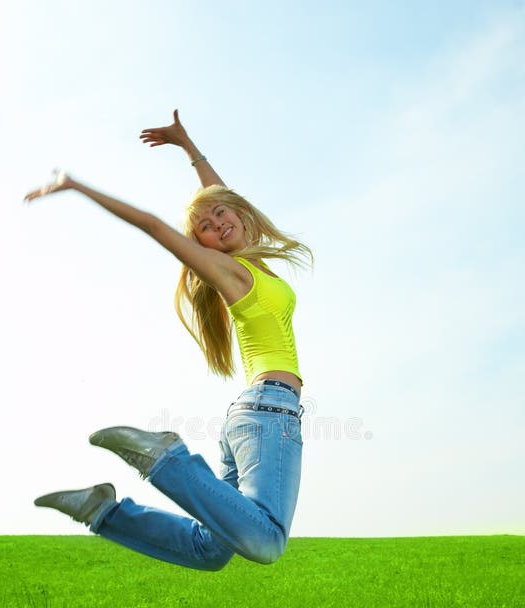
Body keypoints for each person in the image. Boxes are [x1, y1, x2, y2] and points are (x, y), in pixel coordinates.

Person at [26, 109, 312, 570]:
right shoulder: (231, 273)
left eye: (222, 214)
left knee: (210, 549)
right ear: (204, 247)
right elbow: (155, 226)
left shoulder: (251, 262)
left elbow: (220, 197)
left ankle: (102, 511)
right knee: (268, 543)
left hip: (249, 417)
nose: (217, 223)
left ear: (238, 214)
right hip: (268, 413)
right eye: (205, 227)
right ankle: (165, 459)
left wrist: (187, 147)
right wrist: (76, 186)